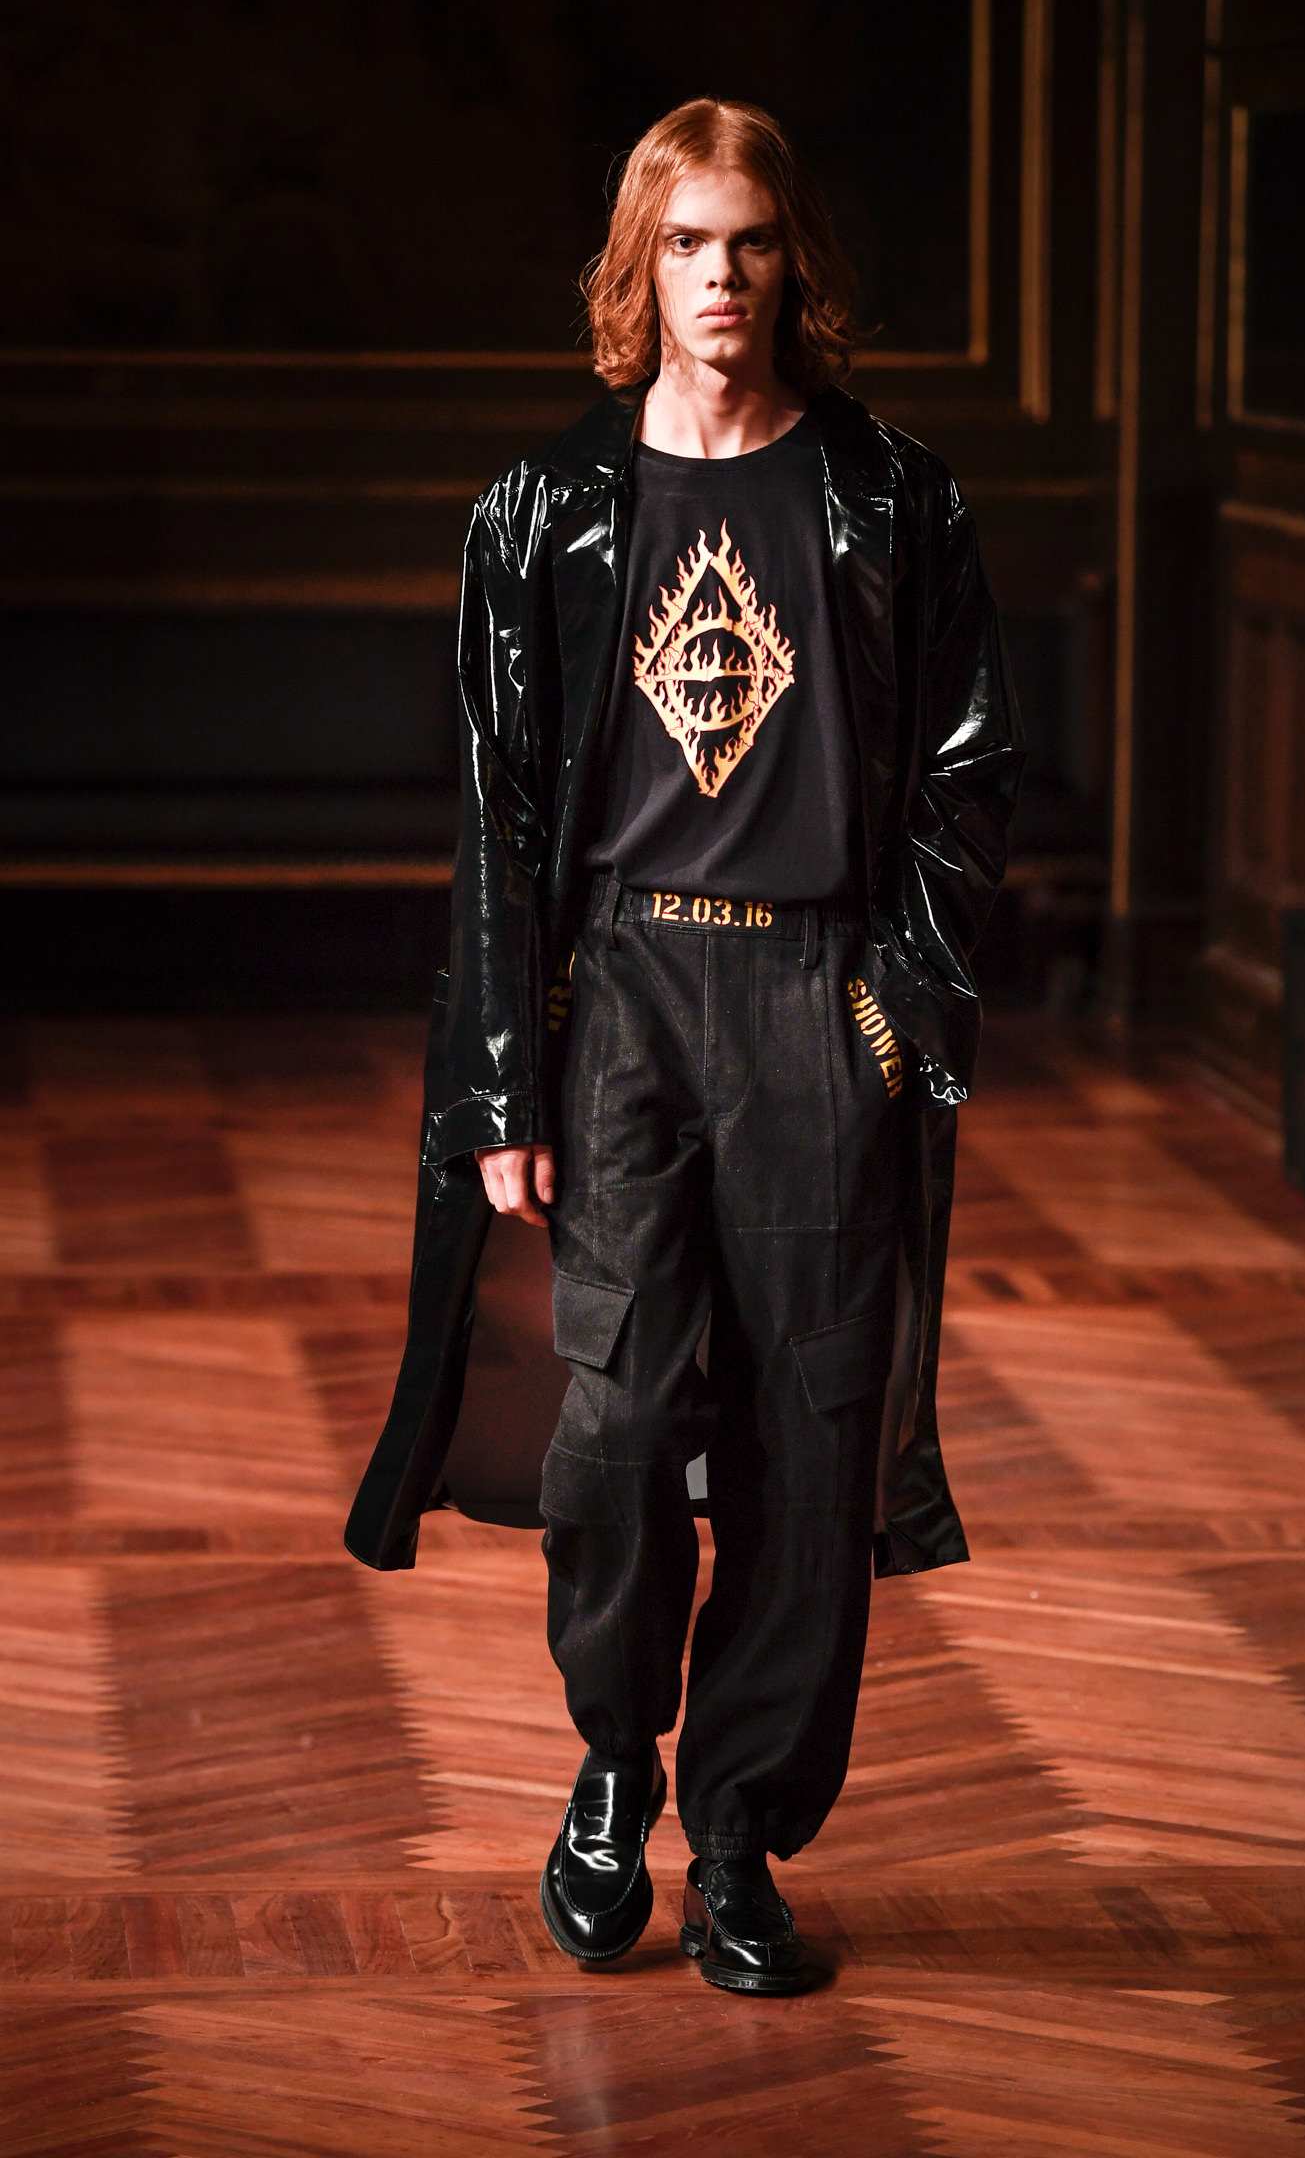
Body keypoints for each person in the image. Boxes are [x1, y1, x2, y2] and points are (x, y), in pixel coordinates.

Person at [346, 96, 1023, 1997]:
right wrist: (503, 1074)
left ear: (796, 263)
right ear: (639, 270)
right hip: (622, 999)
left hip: (817, 994)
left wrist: (890, 1004)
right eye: (688, 247)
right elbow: (497, 812)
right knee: (619, 1422)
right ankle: (610, 1762)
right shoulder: (544, 509)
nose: (722, 281)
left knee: (812, 1441)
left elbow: (972, 768)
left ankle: (736, 1837)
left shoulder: (893, 497)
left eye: (752, 244)